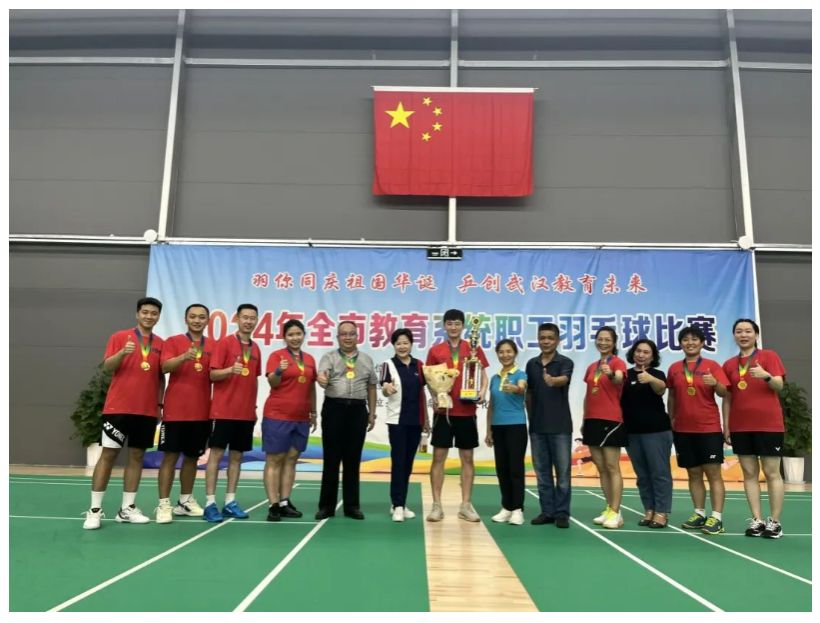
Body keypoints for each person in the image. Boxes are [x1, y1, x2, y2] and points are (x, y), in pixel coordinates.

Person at [83, 297, 165, 530]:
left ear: (158, 317)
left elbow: (160, 377)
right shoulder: (120, 337)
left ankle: (127, 509)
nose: (149, 316)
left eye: (154, 313)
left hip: (146, 411)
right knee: (108, 455)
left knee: (137, 457)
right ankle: (94, 510)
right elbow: (107, 367)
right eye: (145, 312)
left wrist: (159, 405)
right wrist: (121, 354)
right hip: (118, 408)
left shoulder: (161, 343)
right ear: (137, 314)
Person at [722, 318, 786, 539]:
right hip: (740, 426)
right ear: (734, 336)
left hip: (769, 425)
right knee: (749, 474)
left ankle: (774, 522)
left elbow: (779, 385)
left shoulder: (769, 356)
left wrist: (766, 375)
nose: (743, 335)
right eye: (739, 331)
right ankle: (757, 520)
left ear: (756, 335)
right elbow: (727, 398)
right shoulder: (729, 364)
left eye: (748, 331)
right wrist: (726, 425)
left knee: (771, 472)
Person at [425, 308, 489, 523]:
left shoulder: (473, 348)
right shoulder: (435, 350)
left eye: (457, 323)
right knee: (438, 457)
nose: (453, 327)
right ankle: (436, 505)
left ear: (463, 326)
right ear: (444, 326)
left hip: (466, 410)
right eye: (449, 323)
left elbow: (483, 375)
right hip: (443, 411)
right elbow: (430, 379)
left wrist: (482, 392)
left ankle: (466, 505)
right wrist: (435, 396)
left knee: (467, 458)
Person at [667, 325, 730, 535]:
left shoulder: (712, 366)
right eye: (685, 339)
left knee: (713, 474)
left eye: (694, 339)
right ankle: (699, 513)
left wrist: (715, 383)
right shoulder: (674, 368)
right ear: (680, 344)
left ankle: (717, 518)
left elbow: (724, 392)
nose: (690, 343)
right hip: (683, 429)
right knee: (693, 473)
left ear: (702, 343)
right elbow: (672, 396)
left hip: (708, 428)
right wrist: (671, 419)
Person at [202, 304, 261, 523]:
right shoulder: (225, 343)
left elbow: (254, 379)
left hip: (245, 414)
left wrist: (253, 408)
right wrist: (229, 370)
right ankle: (210, 503)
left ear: (256, 321)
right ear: (237, 318)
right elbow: (212, 375)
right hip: (223, 411)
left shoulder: (255, 348)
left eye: (252, 318)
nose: (248, 321)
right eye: (245, 317)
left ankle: (230, 501)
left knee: (237, 458)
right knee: (216, 456)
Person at [155, 303, 212, 523]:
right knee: (169, 457)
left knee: (192, 458)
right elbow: (164, 367)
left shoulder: (213, 345)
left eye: (201, 317)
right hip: (175, 412)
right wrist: (183, 357)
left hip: (201, 413)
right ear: (186, 319)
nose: (197, 320)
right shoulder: (174, 341)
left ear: (207, 320)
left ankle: (185, 501)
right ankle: (163, 504)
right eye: (193, 316)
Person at [315, 321, 378, 520]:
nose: (348, 337)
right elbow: (321, 376)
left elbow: (372, 387)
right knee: (331, 459)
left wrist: (372, 413)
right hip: (334, 408)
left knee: (353, 459)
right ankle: (326, 506)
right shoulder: (329, 357)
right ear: (338, 337)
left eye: (352, 334)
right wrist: (322, 379)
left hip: (358, 410)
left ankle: (352, 506)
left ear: (357, 336)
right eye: (344, 334)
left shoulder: (366, 359)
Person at [262, 319, 317, 522]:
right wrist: (279, 370)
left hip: (301, 418)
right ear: (284, 337)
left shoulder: (309, 359)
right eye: (291, 334)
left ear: (303, 335)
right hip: (277, 416)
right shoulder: (277, 356)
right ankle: (273, 504)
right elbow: (272, 382)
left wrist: (313, 412)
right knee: (274, 459)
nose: (295, 338)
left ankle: (285, 502)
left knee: (292, 459)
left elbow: (310, 387)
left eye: (298, 334)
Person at [525, 322, 574, 528]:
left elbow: (564, 379)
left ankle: (562, 513)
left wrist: (553, 381)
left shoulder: (565, 362)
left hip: (560, 427)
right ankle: (547, 511)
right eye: (542, 338)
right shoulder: (532, 364)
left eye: (550, 338)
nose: (545, 341)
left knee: (562, 474)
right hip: (537, 427)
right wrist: (531, 417)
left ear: (557, 340)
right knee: (542, 473)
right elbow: (529, 394)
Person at [620, 338, 672, 529]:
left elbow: (661, 389)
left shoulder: (657, 374)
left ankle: (662, 511)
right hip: (632, 433)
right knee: (642, 475)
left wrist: (650, 379)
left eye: (646, 352)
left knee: (659, 473)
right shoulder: (625, 375)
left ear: (652, 357)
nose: (641, 355)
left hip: (656, 431)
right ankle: (649, 509)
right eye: (638, 351)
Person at [379, 328, 428, 522]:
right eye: (398, 343)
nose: (402, 346)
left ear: (411, 344)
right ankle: (398, 505)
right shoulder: (387, 365)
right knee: (398, 463)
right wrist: (386, 388)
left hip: (416, 422)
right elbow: (384, 387)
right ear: (393, 345)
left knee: (408, 464)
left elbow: (422, 393)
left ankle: (400, 503)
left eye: (405, 343)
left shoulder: (420, 365)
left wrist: (426, 421)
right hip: (397, 422)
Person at [582, 326, 627, 529]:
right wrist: (584, 419)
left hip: (611, 420)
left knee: (611, 466)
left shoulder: (617, 363)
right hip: (592, 419)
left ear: (614, 342)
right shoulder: (592, 367)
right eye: (600, 339)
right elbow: (588, 394)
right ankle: (609, 508)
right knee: (601, 468)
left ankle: (616, 512)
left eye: (607, 339)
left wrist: (610, 375)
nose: (603, 342)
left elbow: (618, 378)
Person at [485, 339, 528, 526]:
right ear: (497, 354)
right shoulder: (495, 378)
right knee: (502, 469)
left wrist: (516, 388)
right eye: (501, 352)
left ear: (515, 353)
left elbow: (522, 387)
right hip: (498, 427)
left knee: (515, 469)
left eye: (509, 351)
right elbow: (492, 406)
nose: (505, 355)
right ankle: (507, 507)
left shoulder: (520, 374)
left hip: (516, 426)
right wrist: (489, 430)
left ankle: (518, 509)